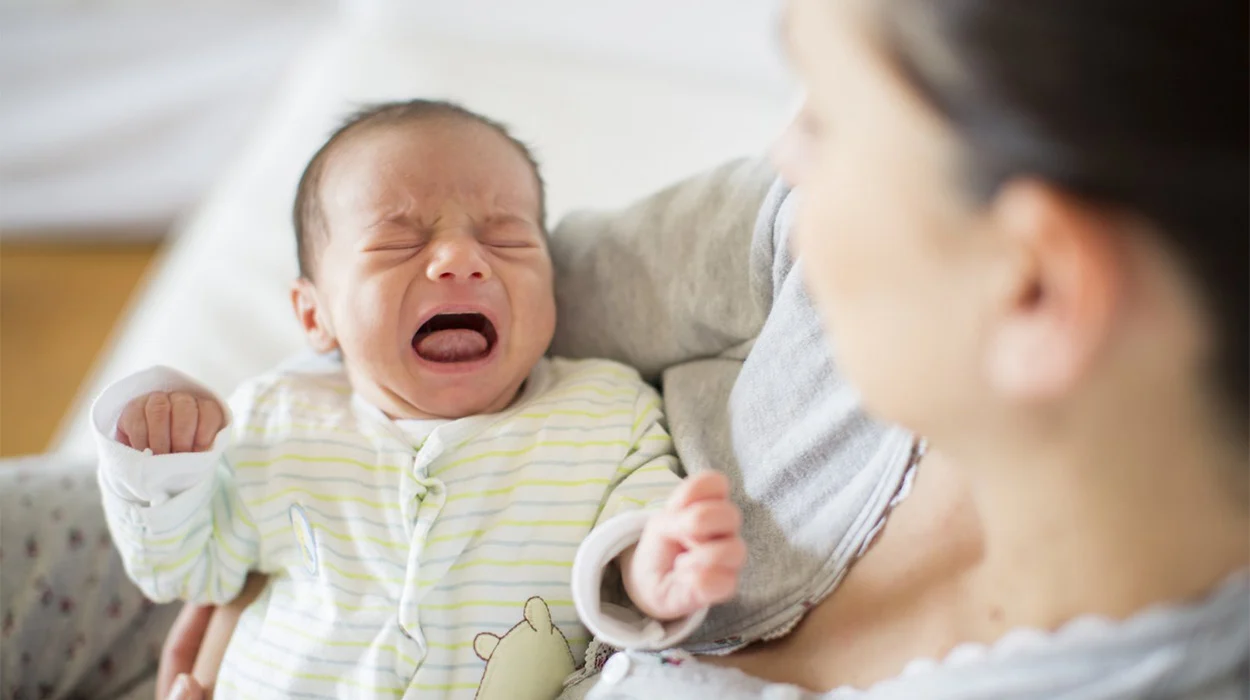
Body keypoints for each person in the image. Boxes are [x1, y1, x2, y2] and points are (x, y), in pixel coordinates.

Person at [89, 100, 744, 699]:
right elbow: (188, 574)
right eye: (398, 240)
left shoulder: (605, 410)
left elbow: (637, 519)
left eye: (506, 237)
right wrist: (166, 465)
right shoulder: (277, 417)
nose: (461, 258)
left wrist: (656, 561)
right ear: (315, 316)